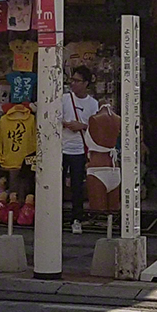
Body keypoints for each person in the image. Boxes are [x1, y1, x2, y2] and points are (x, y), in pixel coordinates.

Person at [61, 66, 99, 234]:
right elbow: (53, 117)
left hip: (79, 149)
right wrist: (65, 124)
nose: (73, 84)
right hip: (61, 147)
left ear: (86, 83)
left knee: (77, 185)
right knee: (57, 183)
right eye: (72, 80)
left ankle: (76, 218)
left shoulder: (93, 104)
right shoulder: (64, 99)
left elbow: (96, 127)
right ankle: (54, 215)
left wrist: (82, 126)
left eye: (77, 81)